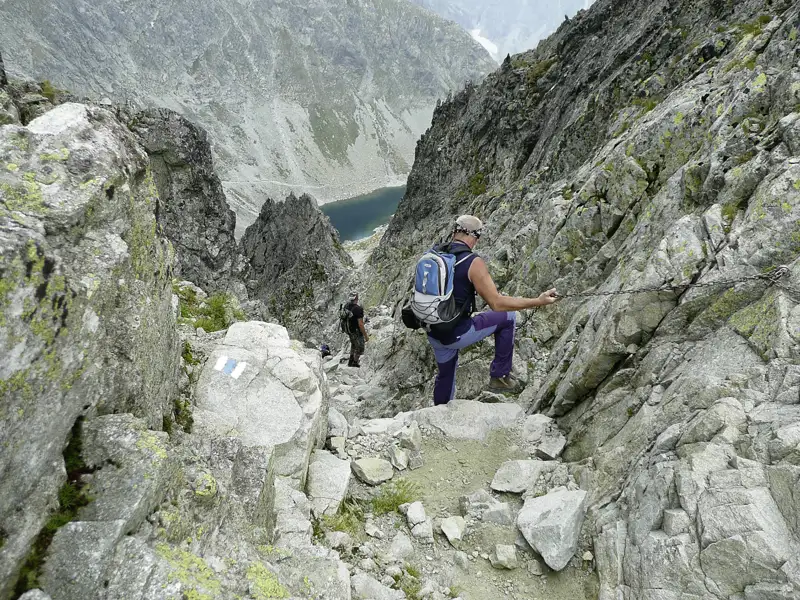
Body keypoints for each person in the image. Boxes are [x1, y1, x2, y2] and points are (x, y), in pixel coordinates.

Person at [426, 215, 559, 405]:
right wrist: (537, 301)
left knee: (446, 374)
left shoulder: (435, 254)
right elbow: (497, 303)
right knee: (508, 317)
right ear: (475, 236)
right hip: (456, 332)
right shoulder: (472, 262)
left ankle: (440, 412)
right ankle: (499, 376)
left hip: (433, 330)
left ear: (455, 231)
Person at [346, 291, 369, 367]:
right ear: (356, 298)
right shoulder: (358, 309)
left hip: (349, 330)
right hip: (356, 331)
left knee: (353, 344)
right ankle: (355, 363)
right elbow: (360, 324)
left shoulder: (347, 306)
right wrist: (365, 336)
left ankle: (350, 361)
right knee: (360, 347)